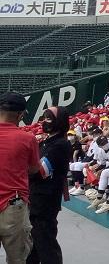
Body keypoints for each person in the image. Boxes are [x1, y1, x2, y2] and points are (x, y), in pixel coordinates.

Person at [27, 107, 72, 264]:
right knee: (33, 241)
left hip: (46, 200)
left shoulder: (60, 144)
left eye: (48, 119)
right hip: (36, 197)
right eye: (44, 118)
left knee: (45, 241)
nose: (44, 122)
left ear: (59, 122)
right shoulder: (47, 142)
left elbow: (39, 171)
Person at [0, 93, 40, 264]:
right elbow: (34, 169)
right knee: (17, 259)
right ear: (20, 114)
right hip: (13, 205)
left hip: (12, 203)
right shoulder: (28, 138)